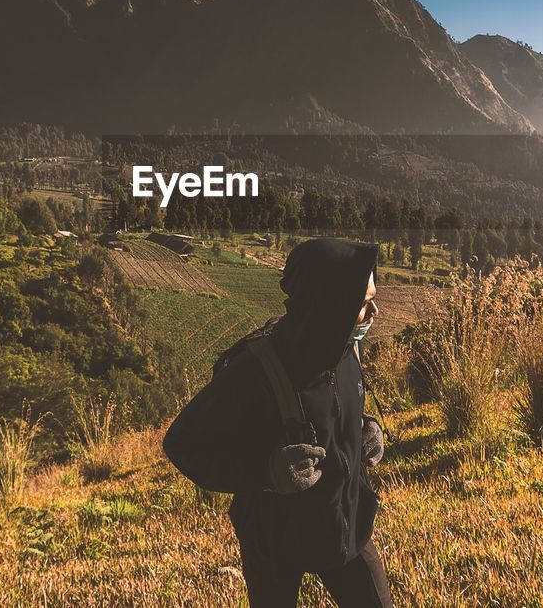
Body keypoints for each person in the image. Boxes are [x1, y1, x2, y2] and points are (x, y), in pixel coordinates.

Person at [163, 238, 393, 607]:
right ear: (330, 305)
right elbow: (182, 445)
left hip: (343, 526)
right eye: (363, 303)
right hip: (274, 544)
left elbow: (333, 406)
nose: (374, 312)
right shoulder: (252, 370)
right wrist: (266, 473)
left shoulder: (347, 349)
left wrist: (364, 427)